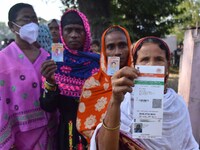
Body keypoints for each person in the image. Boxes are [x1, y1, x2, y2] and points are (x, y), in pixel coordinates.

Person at [90, 36, 199, 150]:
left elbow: (188, 145)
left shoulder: (177, 104)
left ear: (167, 66)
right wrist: (115, 101)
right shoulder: (124, 102)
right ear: (135, 65)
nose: (151, 65)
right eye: (145, 59)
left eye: (159, 59)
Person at [40, 9, 100, 150]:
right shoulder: (53, 65)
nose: (74, 35)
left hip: (95, 132)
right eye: (69, 30)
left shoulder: (98, 64)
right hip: (68, 133)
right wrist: (50, 82)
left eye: (79, 30)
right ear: (62, 33)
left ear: (86, 33)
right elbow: (47, 106)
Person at [0, 3, 57, 150]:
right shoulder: (3, 59)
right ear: (12, 26)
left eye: (34, 19)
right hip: (17, 136)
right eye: (25, 19)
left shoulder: (47, 57)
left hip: (47, 133)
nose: (31, 24)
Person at [76, 25, 132, 144]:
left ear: (130, 47)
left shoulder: (140, 81)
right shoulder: (92, 84)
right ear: (103, 51)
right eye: (111, 47)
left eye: (122, 45)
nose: (117, 52)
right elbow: (85, 127)